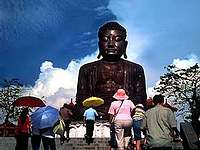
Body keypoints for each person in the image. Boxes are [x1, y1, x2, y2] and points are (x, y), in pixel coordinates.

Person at [75, 21, 147, 120]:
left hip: (124, 112)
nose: (111, 44)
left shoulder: (135, 69)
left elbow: (140, 98)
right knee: (79, 111)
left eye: (117, 39)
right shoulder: (86, 69)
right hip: (96, 111)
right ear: (99, 44)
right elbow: (81, 99)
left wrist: (120, 108)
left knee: (140, 110)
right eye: (105, 39)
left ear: (125, 45)